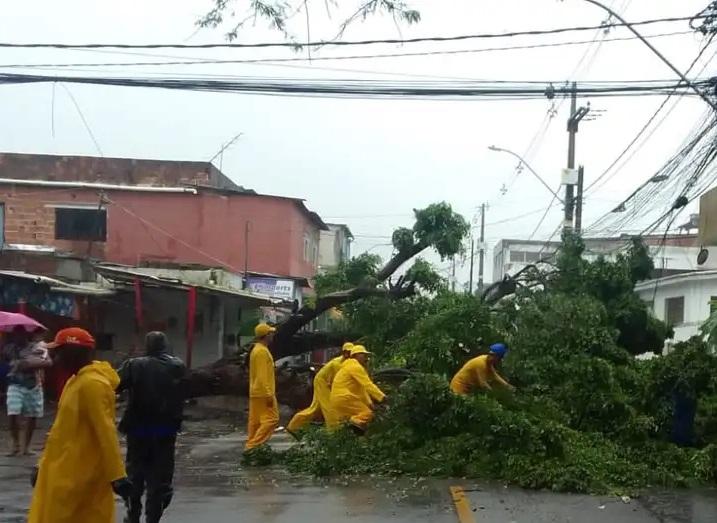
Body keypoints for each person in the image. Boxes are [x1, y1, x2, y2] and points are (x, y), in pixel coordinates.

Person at [27, 327, 131, 523]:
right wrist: (42, 465)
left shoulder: (93, 384)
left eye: (59, 352)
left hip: (80, 477)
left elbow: (105, 432)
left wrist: (117, 476)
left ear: (73, 353)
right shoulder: (74, 382)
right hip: (61, 472)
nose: (55, 359)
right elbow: (60, 431)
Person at [117, 331, 186, 523]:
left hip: (138, 428)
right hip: (165, 429)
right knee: (161, 478)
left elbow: (116, 385)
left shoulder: (134, 365)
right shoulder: (177, 365)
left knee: (135, 474)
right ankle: (153, 518)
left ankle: (133, 514)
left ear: (147, 346)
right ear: (164, 345)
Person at [286, 342, 354, 438]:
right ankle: (334, 432)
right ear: (344, 353)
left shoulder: (346, 363)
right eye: (348, 352)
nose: (350, 354)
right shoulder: (337, 364)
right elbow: (336, 381)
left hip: (322, 381)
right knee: (330, 407)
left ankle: (293, 426)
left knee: (315, 408)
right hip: (323, 382)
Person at [3, 326, 52, 456]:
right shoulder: (8, 349)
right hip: (15, 384)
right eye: (16, 334)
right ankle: (16, 444)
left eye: (22, 334)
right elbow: (6, 363)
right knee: (12, 412)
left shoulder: (36, 348)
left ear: (26, 335)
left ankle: (27, 446)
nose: (19, 337)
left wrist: (29, 363)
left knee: (32, 415)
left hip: (33, 385)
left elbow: (48, 362)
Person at [329, 345, 386, 435]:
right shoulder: (355, 367)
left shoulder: (347, 366)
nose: (366, 358)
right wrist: (382, 397)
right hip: (344, 397)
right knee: (366, 413)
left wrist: (370, 404)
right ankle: (351, 425)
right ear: (356, 355)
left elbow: (361, 390)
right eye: (363, 354)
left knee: (353, 421)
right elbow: (367, 384)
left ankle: (351, 433)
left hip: (336, 400)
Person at [245, 323, 279, 451]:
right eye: (271, 333)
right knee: (272, 419)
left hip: (256, 392)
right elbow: (261, 375)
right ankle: (253, 446)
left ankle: (251, 446)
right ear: (267, 335)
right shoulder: (262, 352)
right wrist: (268, 394)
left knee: (255, 422)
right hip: (263, 392)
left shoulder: (256, 350)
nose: (273, 335)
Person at [450, 343, 514, 395]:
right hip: (458, 388)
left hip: (466, 390)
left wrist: (508, 386)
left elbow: (495, 376)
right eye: (491, 354)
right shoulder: (481, 363)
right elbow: (483, 384)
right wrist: (495, 394)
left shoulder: (488, 362)